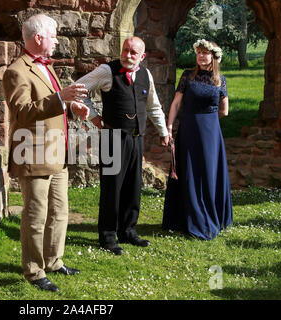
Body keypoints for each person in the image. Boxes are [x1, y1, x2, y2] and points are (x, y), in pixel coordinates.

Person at [2, 14, 90, 292]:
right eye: (53, 36)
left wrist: (71, 108)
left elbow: (49, 105)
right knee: (36, 216)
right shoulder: (16, 70)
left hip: (56, 154)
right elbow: (23, 112)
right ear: (38, 38)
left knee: (60, 213)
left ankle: (54, 261)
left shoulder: (45, 67)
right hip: (33, 154)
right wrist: (61, 98)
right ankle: (34, 270)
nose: (56, 41)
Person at [75, 36, 169, 255]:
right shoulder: (107, 71)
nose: (127, 55)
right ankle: (108, 237)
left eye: (133, 52)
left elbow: (154, 106)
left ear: (142, 56)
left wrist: (163, 132)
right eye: (125, 50)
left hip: (136, 137)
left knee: (133, 187)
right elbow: (78, 89)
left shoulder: (146, 74)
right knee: (112, 189)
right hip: (113, 137)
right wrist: (94, 117)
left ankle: (128, 231)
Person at [162, 39, 233, 240]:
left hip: (211, 134)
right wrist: (169, 126)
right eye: (199, 53)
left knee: (209, 171)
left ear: (214, 56)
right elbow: (176, 104)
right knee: (189, 170)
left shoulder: (221, 80)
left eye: (205, 53)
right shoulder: (187, 76)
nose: (201, 56)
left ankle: (211, 214)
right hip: (189, 130)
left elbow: (225, 111)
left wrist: (207, 120)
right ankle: (186, 218)